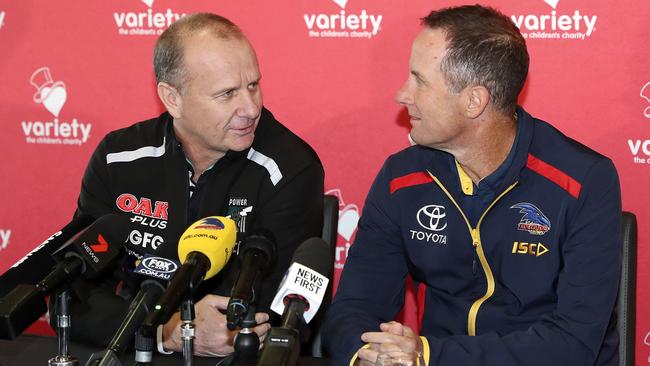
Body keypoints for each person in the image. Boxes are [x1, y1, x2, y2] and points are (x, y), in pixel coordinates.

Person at [323, 5, 621, 366]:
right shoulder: (401, 178)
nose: (402, 94)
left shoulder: (582, 180)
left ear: (474, 101)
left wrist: (429, 355)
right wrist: (369, 355)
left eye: (419, 80)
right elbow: (354, 307)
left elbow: (573, 344)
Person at [52, 13, 324, 358]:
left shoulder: (291, 169)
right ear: (172, 98)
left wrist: (164, 327)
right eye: (227, 94)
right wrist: (169, 331)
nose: (251, 107)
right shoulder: (117, 158)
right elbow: (73, 299)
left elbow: (270, 319)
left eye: (253, 85)